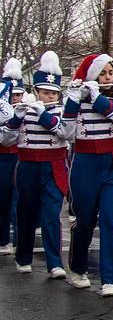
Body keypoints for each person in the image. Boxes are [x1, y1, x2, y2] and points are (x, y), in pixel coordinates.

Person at [64, 53, 113, 297]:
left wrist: (97, 98)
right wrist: (74, 101)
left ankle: (109, 278)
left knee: (110, 218)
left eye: (110, 72)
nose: (108, 77)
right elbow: (65, 133)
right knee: (85, 220)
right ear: (92, 75)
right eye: (102, 73)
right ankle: (77, 267)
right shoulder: (76, 101)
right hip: (84, 164)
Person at [3, 52, 61, 277]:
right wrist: (16, 118)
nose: (49, 96)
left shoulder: (63, 111)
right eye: (45, 92)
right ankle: (23, 256)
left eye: (53, 93)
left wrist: (45, 116)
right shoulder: (23, 111)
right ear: (36, 91)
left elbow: (67, 133)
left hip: (53, 166)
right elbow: (7, 139)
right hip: (27, 166)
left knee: (51, 215)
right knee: (26, 212)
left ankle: (55, 263)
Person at [0, 58, 24, 256]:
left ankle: (19, 243)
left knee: (19, 203)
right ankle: (3, 241)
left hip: (20, 159)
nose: (15, 99)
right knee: (2, 201)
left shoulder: (28, 110)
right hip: (2, 159)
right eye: (12, 95)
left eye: (19, 95)